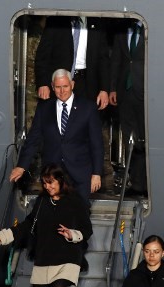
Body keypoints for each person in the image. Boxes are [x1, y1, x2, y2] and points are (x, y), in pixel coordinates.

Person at [0, 164, 92, 287]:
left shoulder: (75, 201)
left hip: (67, 255)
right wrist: (5, 235)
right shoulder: (41, 202)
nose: (48, 187)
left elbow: (87, 229)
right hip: (45, 255)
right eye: (45, 183)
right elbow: (28, 224)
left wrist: (71, 234)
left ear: (61, 180)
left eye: (51, 182)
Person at [10, 68, 104, 202]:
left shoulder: (88, 108)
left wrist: (96, 173)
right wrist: (21, 166)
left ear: (72, 85)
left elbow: (97, 144)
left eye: (65, 86)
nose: (62, 91)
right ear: (52, 87)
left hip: (80, 174)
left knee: (78, 216)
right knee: (53, 216)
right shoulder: (44, 108)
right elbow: (33, 139)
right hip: (52, 175)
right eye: (58, 87)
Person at [34, 15, 110, 109]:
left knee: (84, 120)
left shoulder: (98, 23)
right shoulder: (55, 21)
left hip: (86, 84)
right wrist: (43, 83)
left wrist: (104, 89)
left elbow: (103, 59)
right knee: (59, 119)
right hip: (60, 81)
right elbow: (43, 55)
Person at [110, 19, 147, 195]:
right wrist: (112, 89)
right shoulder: (121, 31)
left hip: (145, 92)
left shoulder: (149, 29)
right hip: (125, 91)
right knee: (129, 138)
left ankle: (146, 183)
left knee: (144, 137)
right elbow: (116, 60)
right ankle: (135, 183)